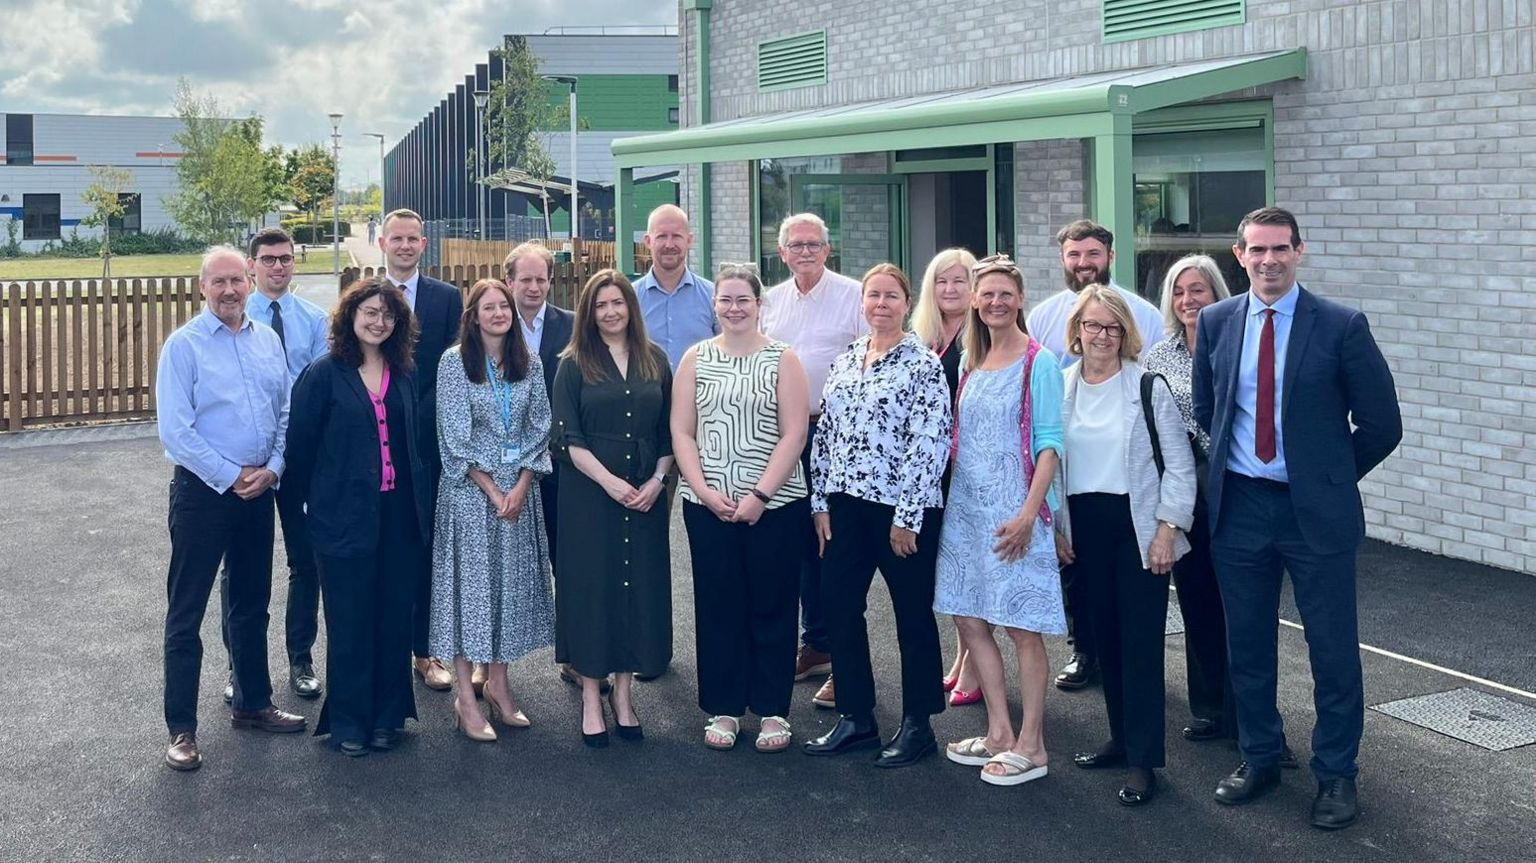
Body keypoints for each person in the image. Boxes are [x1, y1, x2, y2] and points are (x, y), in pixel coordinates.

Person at [1194, 207, 1401, 830]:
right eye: (1257, 250)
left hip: (1314, 514)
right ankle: (1259, 757)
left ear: (1300, 252)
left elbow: (1382, 424)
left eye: (1280, 249)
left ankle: (1336, 773)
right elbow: (1209, 407)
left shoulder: (1340, 325)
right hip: (1241, 510)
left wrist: (1328, 479)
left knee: (1333, 651)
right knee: (1248, 645)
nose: (1269, 260)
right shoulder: (1216, 320)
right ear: (1240, 255)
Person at [155, 246, 305, 771]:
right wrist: (230, 475)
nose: (229, 290)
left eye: (236, 281)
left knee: (250, 602)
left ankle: (252, 703)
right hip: (203, 493)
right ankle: (182, 729)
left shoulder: (267, 340)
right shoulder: (184, 347)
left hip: (258, 491)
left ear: (249, 281)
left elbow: (285, 410)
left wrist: (275, 468)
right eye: (217, 282)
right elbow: (176, 431)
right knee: (187, 611)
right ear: (202, 288)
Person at [803, 264, 951, 768]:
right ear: (862, 303)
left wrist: (907, 516)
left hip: (900, 510)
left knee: (912, 615)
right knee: (839, 605)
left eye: (891, 296)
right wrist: (819, 501)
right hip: (844, 505)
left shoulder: (923, 364)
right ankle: (857, 717)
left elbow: (931, 444)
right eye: (873, 296)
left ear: (906, 304)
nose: (881, 304)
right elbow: (824, 436)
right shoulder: (847, 359)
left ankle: (918, 723)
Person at [1057, 284, 1196, 807]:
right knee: (1104, 641)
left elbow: (1179, 467)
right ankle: (1119, 738)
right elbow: (1052, 463)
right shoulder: (1062, 384)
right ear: (1077, 330)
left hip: (1137, 529)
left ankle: (1144, 762)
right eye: (1092, 325)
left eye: (1112, 327)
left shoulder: (1147, 386)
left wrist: (1168, 529)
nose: (1101, 336)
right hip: (1083, 529)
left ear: (1125, 334)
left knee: (1139, 647)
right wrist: (1057, 528)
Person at [284, 279, 433, 756]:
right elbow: (300, 452)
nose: (379, 322)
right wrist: (301, 523)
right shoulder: (324, 374)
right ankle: (348, 721)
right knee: (350, 621)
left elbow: (415, 449)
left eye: (388, 315)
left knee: (393, 619)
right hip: (342, 519)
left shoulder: (405, 374)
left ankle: (389, 716)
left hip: (398, 518)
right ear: (350, 316)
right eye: (370, 312)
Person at [933, 254, 1065, 786]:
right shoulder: (968, 361)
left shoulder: (1041, 362)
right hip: (966, 514)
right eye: (985, 294)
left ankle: (1033, 745)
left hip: (1016, 515)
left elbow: (1051, 445)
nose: (994, 302)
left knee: (1022, 629)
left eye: (1004, 294)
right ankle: (998, 733)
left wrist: (1030, 515)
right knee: (969, 618)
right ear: (973, 301)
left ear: (1020, 300)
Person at [672, 263, 810, 753]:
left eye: (743, 300)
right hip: (707, 505)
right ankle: (725, 707)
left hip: (774, 505)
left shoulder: (782, 358)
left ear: (759, 305)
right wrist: (706, 491)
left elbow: (795, 432)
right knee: (718, 606)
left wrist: (759, 496)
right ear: (715, 305)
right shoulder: (695, 358)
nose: (733, 308)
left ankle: (773, 709)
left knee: (773, 604)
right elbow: (682, 430)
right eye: (725, 300)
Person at [1025, 219, 1164, 694]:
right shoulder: (1043, 316)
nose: (1083, 264)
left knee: (1129, 581)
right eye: (1074, 256)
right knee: (1075, 571)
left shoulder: (1142, 313)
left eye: (1092, 255)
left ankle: (1130, 659)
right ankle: (1085, 651)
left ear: (1110, 257)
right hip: (1069, 465)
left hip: (1124, 470)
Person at [429, 278, 556, 742]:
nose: (499, 313)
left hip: (519, 495)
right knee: (470, 597)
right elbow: (454, 436)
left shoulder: (531, 364)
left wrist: (522, 484)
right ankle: (466, 697)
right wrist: (490, 488)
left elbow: (541, 424)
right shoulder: (454, 364)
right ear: (474, 315)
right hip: (470, 496)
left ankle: (499, 686)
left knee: (507, 592)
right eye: (489, 307)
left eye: (504, 305)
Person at [551, 269, 674, 748]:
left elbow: (668, 431)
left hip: (646, 495)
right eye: (600, 305)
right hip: (590, 497)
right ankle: (589, 695)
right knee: (593, 591)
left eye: (617, 303)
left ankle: (623, 696)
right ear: (589, 312)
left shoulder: (655, 360)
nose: (610, 312)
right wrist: (611, 483)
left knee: (635, 592)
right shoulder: (573, 364)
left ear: (630, 308)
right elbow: (567, 438)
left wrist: (656, 481)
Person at [216, 227, 329, 706]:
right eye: (268, 260)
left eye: (285, 259)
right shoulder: (235, 321)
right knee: (241, 569)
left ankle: (300, 659)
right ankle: (239, 666)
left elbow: (321, 388)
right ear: (251, 265)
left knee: (306, 563)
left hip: (301, 459)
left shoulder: (316, 320)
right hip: (251, 465)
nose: (278, 267)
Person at [760, 212, 868, 710]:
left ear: (828, 250)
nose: (805, 252)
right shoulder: (771, 302)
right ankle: (817, 643)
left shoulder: (853, 295)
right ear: (781, 252)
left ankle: (844, 660)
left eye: (814, 244)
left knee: (837, 544)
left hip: (836, 433)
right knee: (798, 540)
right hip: (783, 434)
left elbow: (873, 356)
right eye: (795, 245)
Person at [1143, 254, 1234, 745]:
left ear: (1217, 292)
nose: (1187, 301)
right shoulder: (1160, 357)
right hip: (1182, 492)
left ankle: (1249, 719)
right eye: (1179, 292)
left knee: (1238, 605)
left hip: (1232, 488)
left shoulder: (1236, 345)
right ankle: (1209, 708)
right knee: (1196, 598)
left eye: (1197, 290)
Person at [378, 207, 464, 692]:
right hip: (381, 443)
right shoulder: (368, 298)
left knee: (428, 547)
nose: (406, 246)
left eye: (413, 238)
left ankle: (425, 651)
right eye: (398, 239)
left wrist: (418, 411)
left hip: (430, 445)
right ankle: (388, 650)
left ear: (424, 244)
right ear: (383, 244)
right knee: (386, 546)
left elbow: (453, 366)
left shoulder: (446, 298)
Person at [501, 241, 590, 695]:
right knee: (496, 565)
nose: (534, 287)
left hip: (560, 467)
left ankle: (576, 655)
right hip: (502, 471)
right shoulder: (489, 324)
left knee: (568, 560)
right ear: (510, 280)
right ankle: (489, 663)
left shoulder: (573, 327)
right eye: (526, 279)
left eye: (542, 279)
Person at [911, 246, 981, 707]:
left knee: (971, 569)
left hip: (972, 467)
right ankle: (960, 660)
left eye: (960, 280)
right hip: (936, 470)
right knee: (951, 569)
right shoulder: (924, 337)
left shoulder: (985, 335)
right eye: (942, 281)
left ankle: (974, 670)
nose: (951, 289)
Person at [635, 204, 718, 371]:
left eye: (676, 236)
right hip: (649, 396)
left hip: (700, 396)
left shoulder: (714, 296)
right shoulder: (630, 298)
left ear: (689, 240)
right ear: (648, 241)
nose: (669, 244)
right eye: (661, 236)